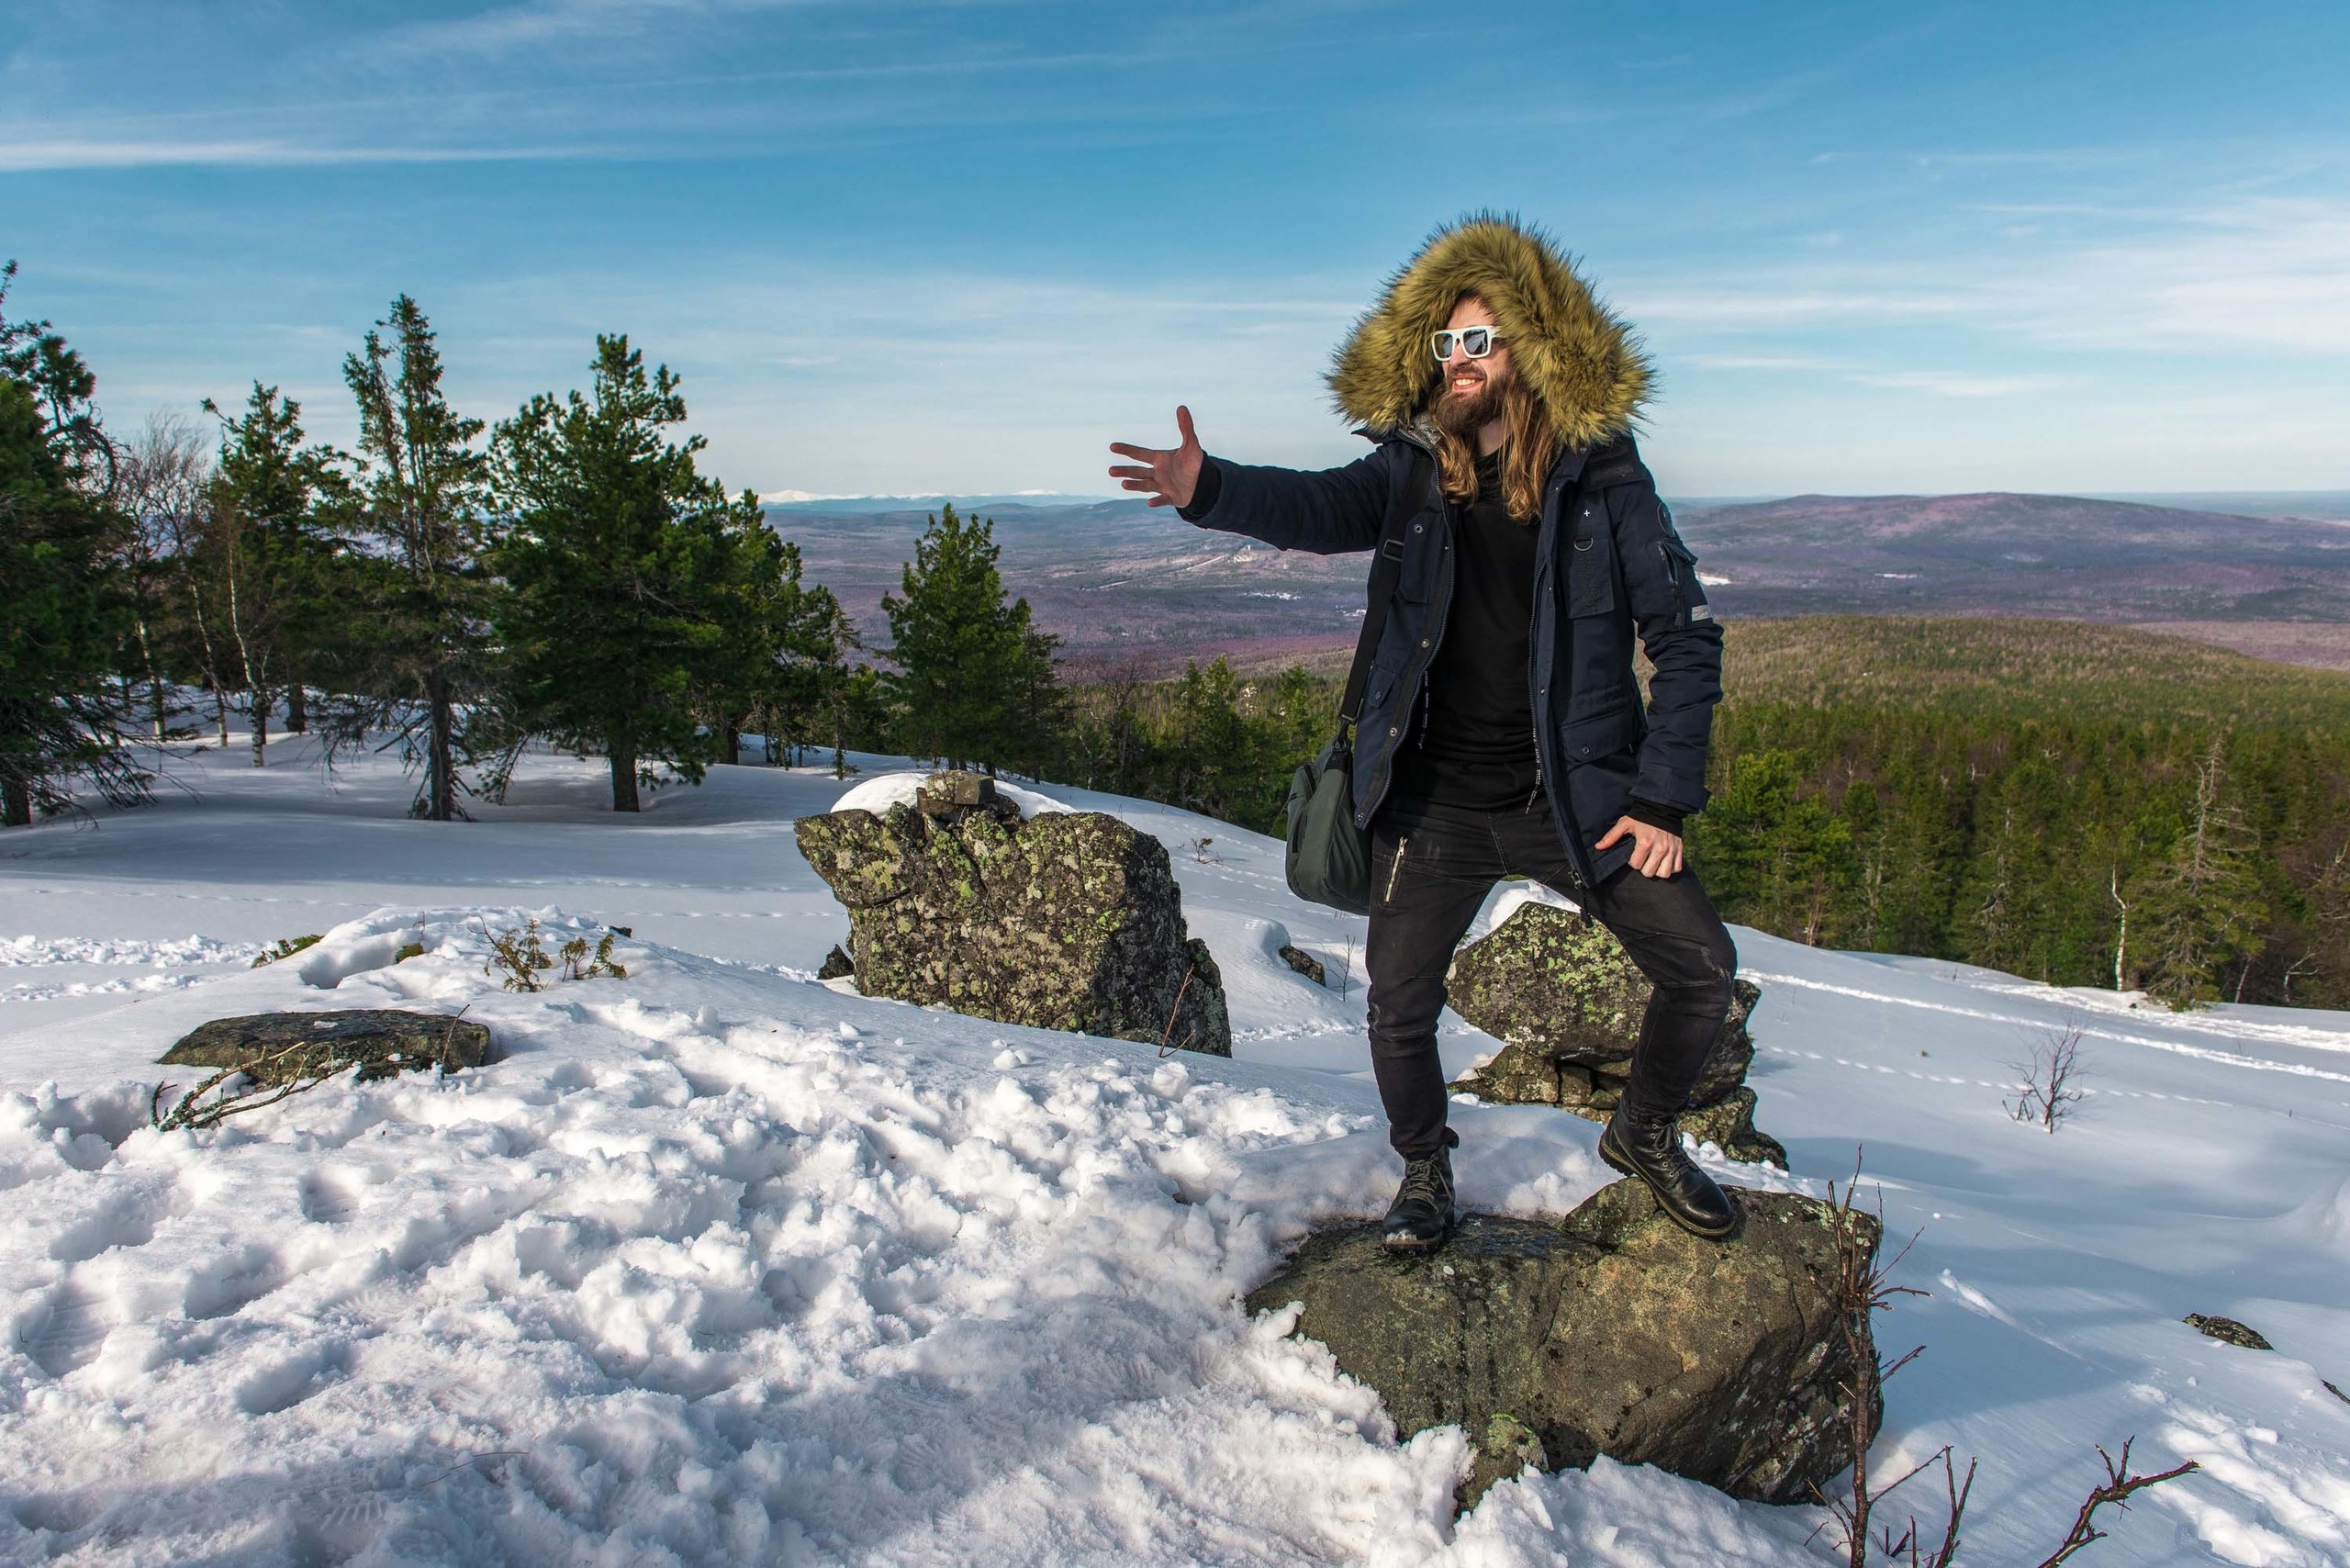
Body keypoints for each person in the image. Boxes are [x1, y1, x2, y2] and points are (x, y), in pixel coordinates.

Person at [1107, 213, 1740, 1252]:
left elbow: (1685, 638)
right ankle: (1423, 1169)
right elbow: (1314, 506)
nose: (1457, 361)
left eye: (1478, 341)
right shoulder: (1409, 469)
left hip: (1574, 801)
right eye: (1445, 343)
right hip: (1434, 804)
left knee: (1701, 966)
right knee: (1397, 1007)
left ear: (1531, 352)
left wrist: (1659, 797)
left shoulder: (1604, 481)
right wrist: (1208, 488)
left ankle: (1645, 1132)